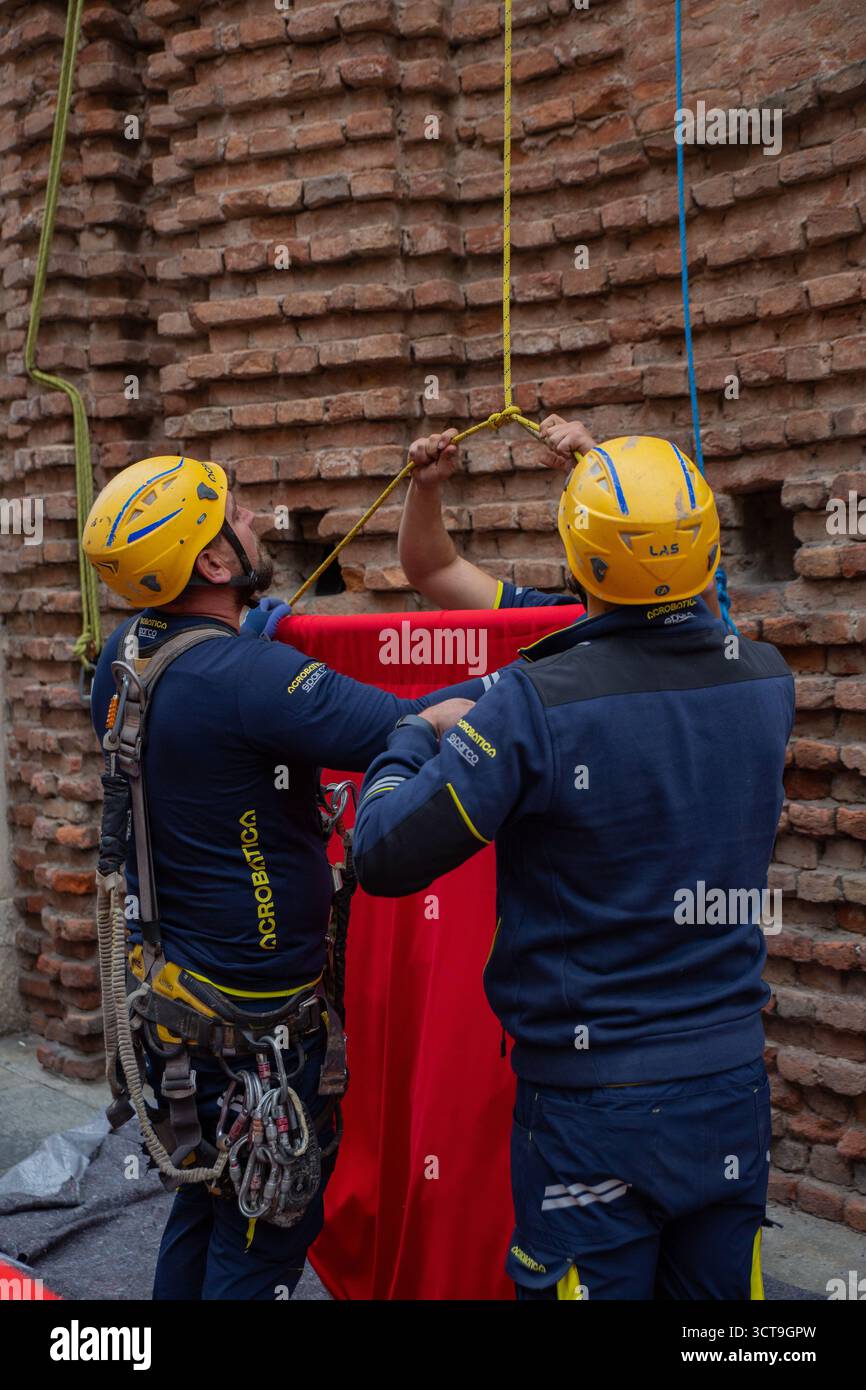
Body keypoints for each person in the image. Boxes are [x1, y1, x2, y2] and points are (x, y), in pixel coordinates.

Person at [353, 435, 794, 1300]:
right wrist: (624, 498)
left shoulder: (535, 704)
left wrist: (409, 738)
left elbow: (383, 855)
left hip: (596, 1107)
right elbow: (674, 635)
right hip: (730, 1084)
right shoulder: (765, 681)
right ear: (708, 544)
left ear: (578, 556)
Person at [84, 453, 486, 1301]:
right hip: (258, 1027)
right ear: (215, 562)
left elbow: (224, 676)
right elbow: (406, 724)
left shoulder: (125, 657)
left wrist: (252, 633)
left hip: (172, 1005)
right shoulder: (252, 679)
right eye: (239, 512)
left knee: (206, 1199)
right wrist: (513, 688)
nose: (259, 518)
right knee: (268, 1226)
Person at [398, 415, 722, 618]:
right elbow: (435, 569)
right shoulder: (731, 657)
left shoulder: (555, 634)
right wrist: (604, 473)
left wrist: (425, 489)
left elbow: (434, 571)